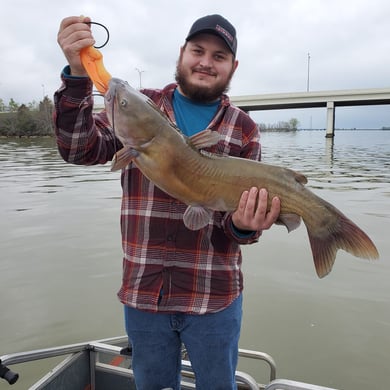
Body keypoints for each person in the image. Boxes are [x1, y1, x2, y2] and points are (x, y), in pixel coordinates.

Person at [55, 14, 280, 390]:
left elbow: (237, 231)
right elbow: (79, 148)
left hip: (214, 298)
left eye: (219, 56)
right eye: (198, 50)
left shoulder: (244, 128)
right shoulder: (141, 108)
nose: (206, 61)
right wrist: (79, 74)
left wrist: (245, 224)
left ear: (232, 67)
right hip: (145, 295)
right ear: (182, 53)